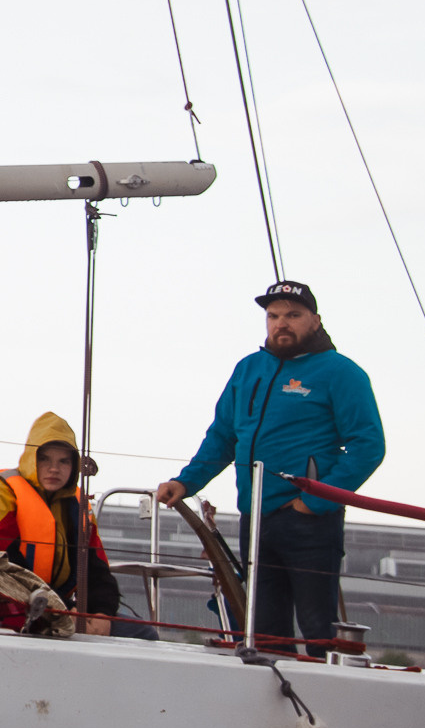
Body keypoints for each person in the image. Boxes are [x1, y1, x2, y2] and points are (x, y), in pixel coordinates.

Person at [157, 281, 386, 656]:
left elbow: (369, 445)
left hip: (310, 521)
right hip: (255, 519)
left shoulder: (342, 373)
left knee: (318, 631)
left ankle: (322, 701)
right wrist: (186, 482)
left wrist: (316, 502)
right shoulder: (248, 369)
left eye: (293, 315)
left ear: (315, 321)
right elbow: (223, 437)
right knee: (261, 631)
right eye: (274, 316)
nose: (282, 323)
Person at [0, 413, 159, 639]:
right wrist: (64, 611)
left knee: (145, 634)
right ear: (31, 459)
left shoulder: (80, 508)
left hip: (61, 608)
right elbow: (2, 571)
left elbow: (97, 572)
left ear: (74, 465)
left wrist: (101, 615)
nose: (54, 468)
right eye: (45, 459)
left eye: (63, 461)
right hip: (8, 609)